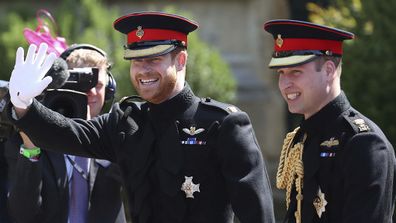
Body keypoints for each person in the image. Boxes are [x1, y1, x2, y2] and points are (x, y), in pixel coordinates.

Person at [7, 12, 275, 223]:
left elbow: (257, 215)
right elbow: (68, 134)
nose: (143, 70)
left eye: (154, 59)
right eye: (136, 60)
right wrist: (24, 105)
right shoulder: (126, 122)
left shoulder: (223, 125)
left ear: (180, 60)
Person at [263, 19, 396, 223]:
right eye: (281, 73)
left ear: (328, 71)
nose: (285, 84)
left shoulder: (363, 143)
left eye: (296, 72)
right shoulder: (300, 139)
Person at [4, 44, 127, 223]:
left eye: (98, 85)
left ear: (109, 91)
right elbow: (22, 214)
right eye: (82, 84)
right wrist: (30, 148)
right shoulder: (29, 137)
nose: (91, 92)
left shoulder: (117, 134)